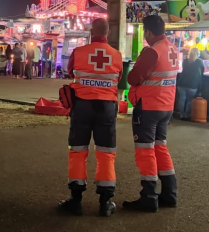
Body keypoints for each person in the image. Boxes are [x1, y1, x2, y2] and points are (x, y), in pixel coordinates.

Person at [59, 18, 122, 217]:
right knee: (106, 153)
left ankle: (76, 200)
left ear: (90, 31)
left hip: (82, 106)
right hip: (107, 108)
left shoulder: (78, 53)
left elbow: (70, 73)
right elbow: (118, 78)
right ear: (109, 32)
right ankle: (106, 202)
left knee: (78, 151)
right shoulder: (117, 55)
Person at [124, 15, 178, 212]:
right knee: (160, 148)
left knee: (145, 151)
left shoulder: (152, 52)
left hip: (148, 108)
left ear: (148, 31)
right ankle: (170, 193)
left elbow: (133, 78)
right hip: (166, 107)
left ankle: (148, 197)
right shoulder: (172, 48)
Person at [178, 48, 204, 120]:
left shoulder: (185, 60)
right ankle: (186, 115)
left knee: (182, 99)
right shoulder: (199, 61)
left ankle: (181, 114)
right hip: (192, 84)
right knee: (189, 100)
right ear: (197, 53)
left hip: (182, 83)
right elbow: (202, 72)